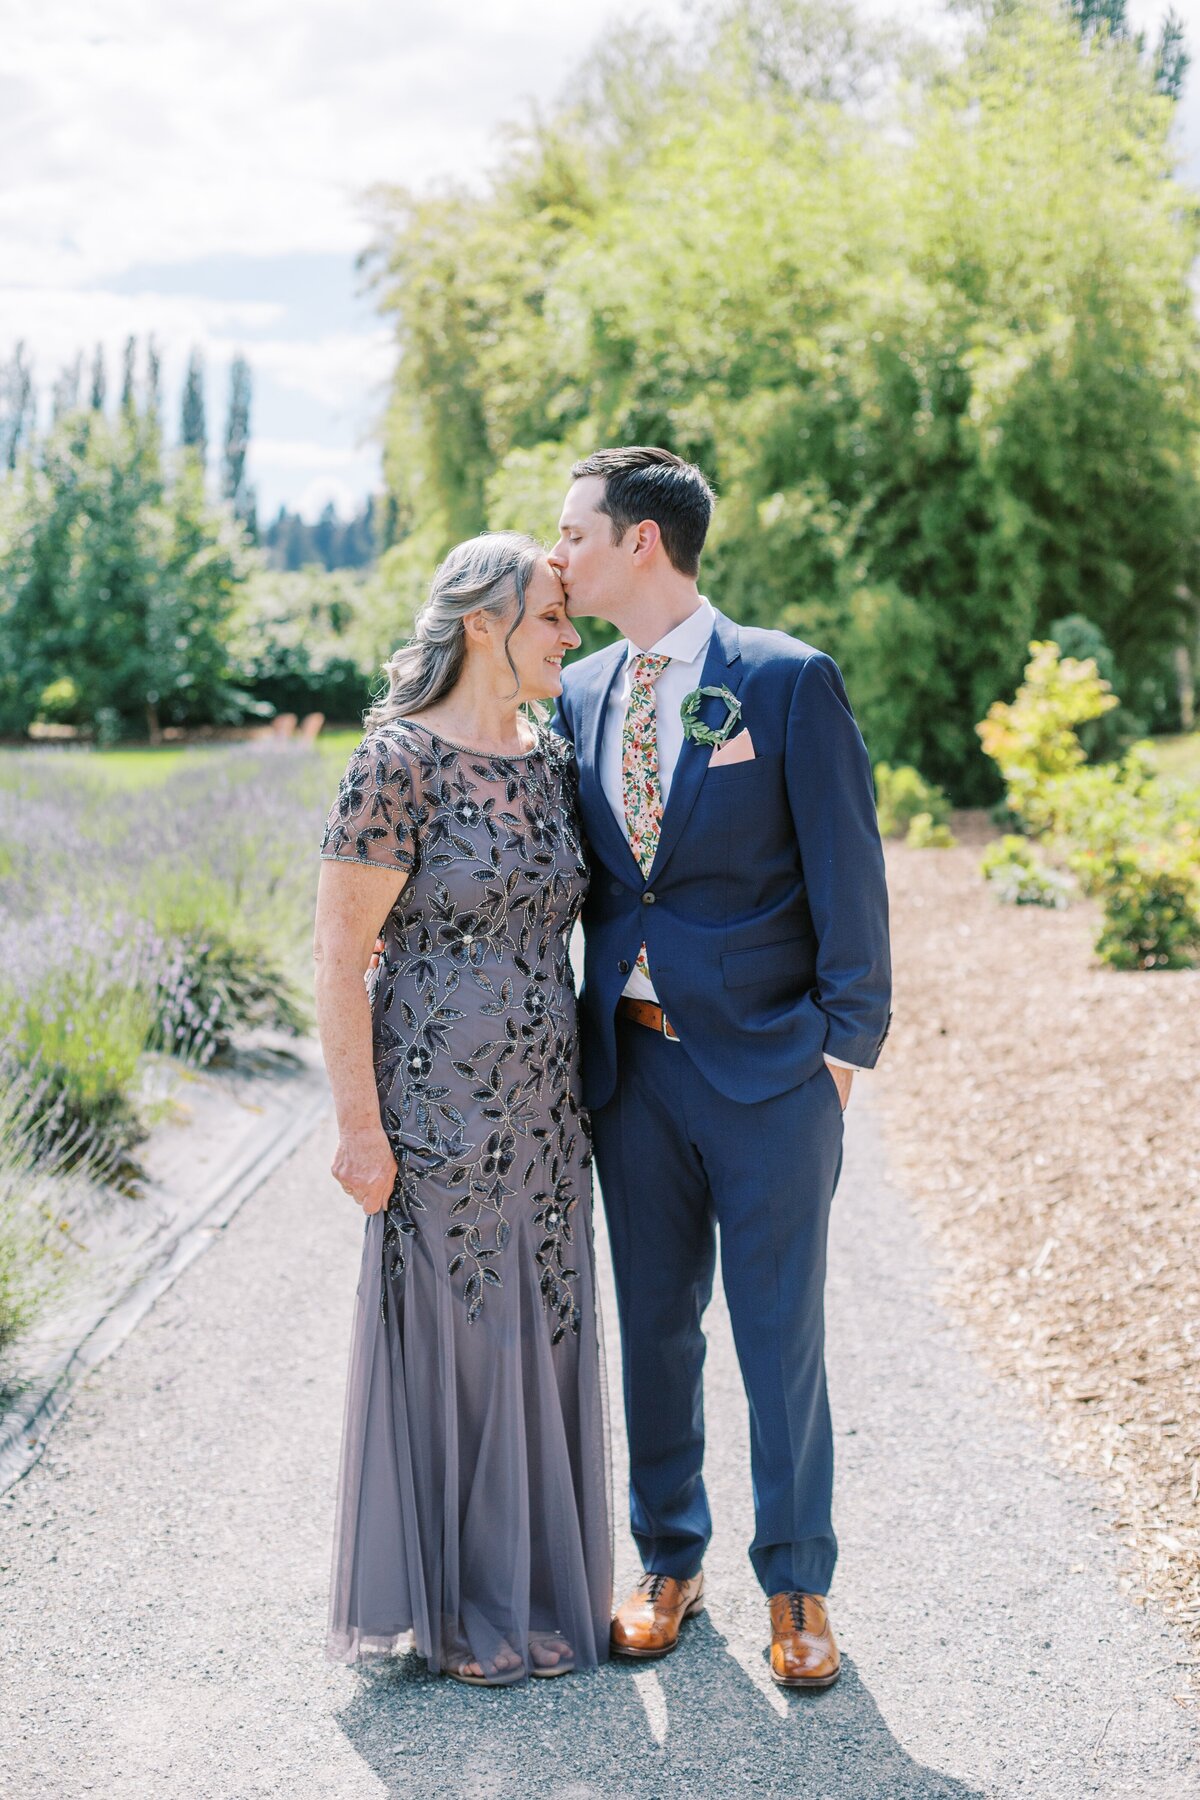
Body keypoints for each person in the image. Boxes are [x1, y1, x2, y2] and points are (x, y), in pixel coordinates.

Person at [549, 447, 891, 1688]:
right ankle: (667, 1562)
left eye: (576, 532)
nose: (560, 555)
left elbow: (853, 879)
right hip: (632, 1075)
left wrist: (839, 1058)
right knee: (654, 1327)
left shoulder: (786, 680)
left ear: (643, 541)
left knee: (777, 1335)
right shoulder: (578, 691)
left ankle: (797, 1587)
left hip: (771, 1079)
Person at [312, 532, 611, 1685]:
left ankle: (533, 1590)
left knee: (542, 1326)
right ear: (485, 622)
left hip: (548, 1104)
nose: (569, 636)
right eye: (552, 616)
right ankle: (462, 1608)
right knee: (465, 1334)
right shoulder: (397, 764)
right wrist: (358, 1126)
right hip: (433, 1098)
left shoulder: (548, 758)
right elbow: (339, 957)